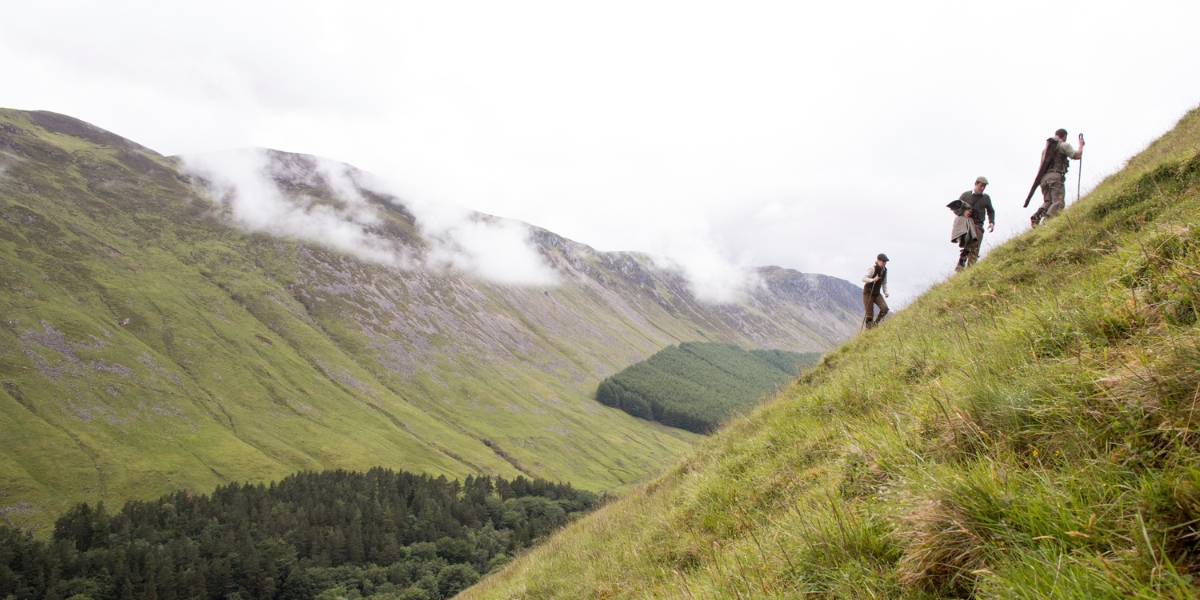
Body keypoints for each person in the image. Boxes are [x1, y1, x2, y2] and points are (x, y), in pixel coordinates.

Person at [1031, 128, 1085, 227]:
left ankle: (1037, 215)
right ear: (1064, 136)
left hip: (1043, 179)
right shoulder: (1063, 145)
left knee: (1048, 201)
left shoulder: (1045, 150)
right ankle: (1046, 223)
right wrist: (1081, 145)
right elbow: (1077, 155)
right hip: (1055, 176)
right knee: (1058, 202)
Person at [951, 176, 995, 271]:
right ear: (976, 184)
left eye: (984, 186)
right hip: (966, 224)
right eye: (981, 185)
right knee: (971, 241)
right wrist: (964, 213)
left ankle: (970, 270)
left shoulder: (986, 198)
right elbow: (955, 208)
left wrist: (991, 222)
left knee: (975, 248)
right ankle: (962, 264)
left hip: (978, 225)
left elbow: (991, 211)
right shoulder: (965, 195)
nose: (982, 188)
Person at [861, 253, 889, 329]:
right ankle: (868, 331)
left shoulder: (884, 271)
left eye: (885, 262)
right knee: (869, 314)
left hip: (876, 293)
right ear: (879, 260)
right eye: (883, 261)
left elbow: (884, 282)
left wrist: (885, 292)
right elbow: (863, 278)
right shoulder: (872, 269)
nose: (884, 263)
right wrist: (873, 280)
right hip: (867, 293)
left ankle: (875, 324)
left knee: (884, 308)